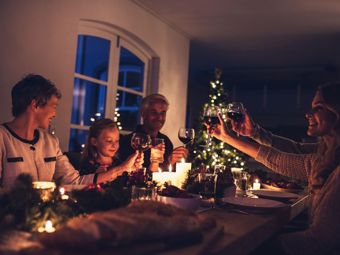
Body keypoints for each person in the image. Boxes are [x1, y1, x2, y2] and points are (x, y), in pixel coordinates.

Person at [208, 82, 340, 255]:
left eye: (319, 108)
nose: (308, 114)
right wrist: (254, 133)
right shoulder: (327, 152)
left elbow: (319, 242)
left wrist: (255, 245)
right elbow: (294, 151)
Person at [0, 74, 141, 188]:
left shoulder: (51, 142)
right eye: (54, 106)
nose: (55, 113)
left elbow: (75, 182)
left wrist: (122, 169)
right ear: (35, 104)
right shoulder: (3, 138)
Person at [119, 94, 188, 170]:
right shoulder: (129, 142)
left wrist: (172, 161)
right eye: (154, 112)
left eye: (163, 113)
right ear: (143, 113)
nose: (159, 117)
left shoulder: (166, 141)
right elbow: (136, 178)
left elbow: (166, 177)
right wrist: (168, 161)